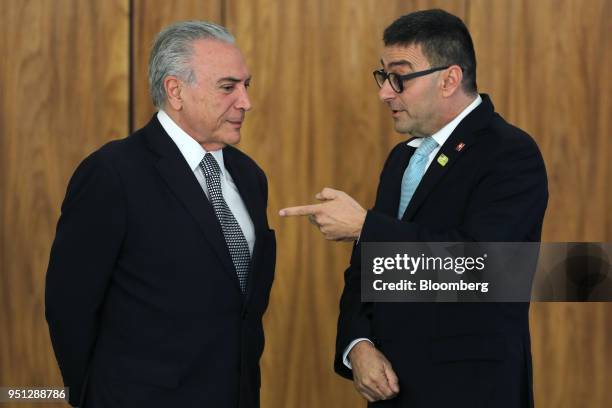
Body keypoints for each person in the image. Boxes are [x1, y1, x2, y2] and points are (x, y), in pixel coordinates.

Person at [280, 9, 547, 407]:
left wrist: (367, 227)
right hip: (392, 391)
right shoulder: (401, 159)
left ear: (449, 79)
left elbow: (486, 269)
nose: (385, 92)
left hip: (471, 390)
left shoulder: (509, 152)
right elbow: (366, 270)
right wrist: (359, 345)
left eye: (399, 77)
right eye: (383, 76)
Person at [45, 21, 276, 408]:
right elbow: (69, 306)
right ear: (176, 90)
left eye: (246, 85)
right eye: (228, 87)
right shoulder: (112, 173)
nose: (245, 101)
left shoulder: (250, 176)